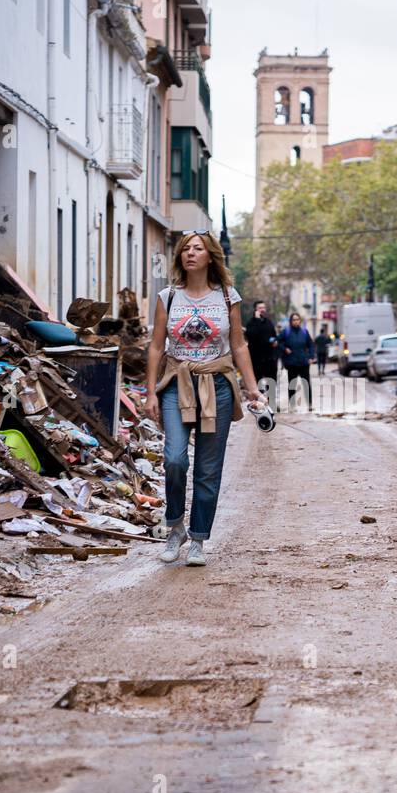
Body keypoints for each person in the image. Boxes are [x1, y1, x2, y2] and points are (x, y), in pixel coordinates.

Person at [146, 232, 267, 566]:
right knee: (174, 458)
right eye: (185, 248)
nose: (190, 253)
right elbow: (156, 346)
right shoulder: (168, 296)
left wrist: (252, 388)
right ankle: (175, 527)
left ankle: (198, 538)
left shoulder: (228, 296)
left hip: (219, 385)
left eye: (197, 248)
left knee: (208, 469)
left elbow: (239, 345)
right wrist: (149, 391)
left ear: (211, 256)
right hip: (176, 382)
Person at [278, 312, 316, 409]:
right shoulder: (286, 332)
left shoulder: (304, 332)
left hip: (303, 362)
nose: (296, 321)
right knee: (292, 384)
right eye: (294, 320)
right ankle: (292, 405)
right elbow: (278, 342)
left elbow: (311, 345)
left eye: (297, 319)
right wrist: (285, 349)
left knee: (306, 384)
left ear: (300, 321)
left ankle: (310, 405)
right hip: (292, 363)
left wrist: (311, 357)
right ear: (291, 321)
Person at [244, 300, 279, 394]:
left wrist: (275, 341)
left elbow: (274, 335)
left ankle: (271, 402)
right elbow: (251, 335)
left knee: (272, 381)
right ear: (255, 310)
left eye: (264, 308)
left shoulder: (268, 322)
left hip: (270, 358)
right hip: (257, 359)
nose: (263, 310)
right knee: (258, 382)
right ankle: (261, 403)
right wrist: (257, 320)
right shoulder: (251, 323)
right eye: (260, 308)